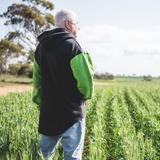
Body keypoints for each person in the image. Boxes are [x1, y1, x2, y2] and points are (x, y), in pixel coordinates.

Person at [33, 9, 94, 160]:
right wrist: (83, 98)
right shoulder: (74, 46)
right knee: (72, 156)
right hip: (71, 114)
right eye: (77, 23)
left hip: (48, 113)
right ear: (68, 24)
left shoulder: (40, 48)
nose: (78, 28)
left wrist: (41, 102)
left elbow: (37, 81)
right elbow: (86, 83)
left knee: (44, 155)